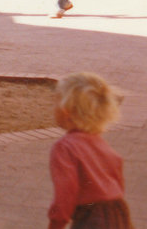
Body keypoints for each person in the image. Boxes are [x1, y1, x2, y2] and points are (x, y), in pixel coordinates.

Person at [48, 72, 131, 229]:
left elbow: (65, 194)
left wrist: (56, 223)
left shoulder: (65, 147)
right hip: (119, 213)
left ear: (66, 111)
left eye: (55, 101)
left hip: (92, 219)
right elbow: (118, 181)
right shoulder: (101, 145)